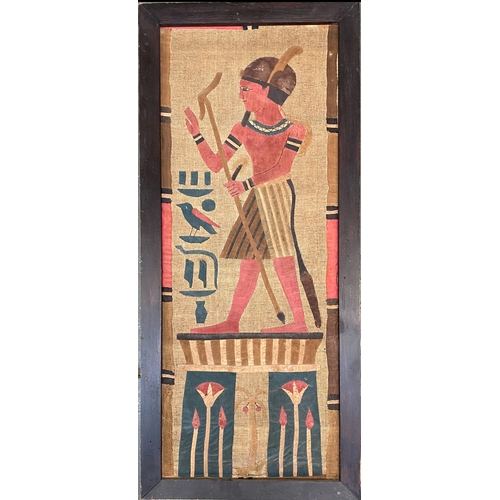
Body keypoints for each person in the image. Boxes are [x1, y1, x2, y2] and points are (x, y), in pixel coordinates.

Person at [184, 54, 312, 334]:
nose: (240, 95)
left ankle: (299, 322)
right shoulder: (243, 128)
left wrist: (245, 185)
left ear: (267, 90)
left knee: (282, 257)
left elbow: (282, 168)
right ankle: (232, 321)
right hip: (256, 196)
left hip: (277, 195)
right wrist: (197, 135)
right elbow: (216, 163)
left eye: (246, 89)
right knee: (250, 260)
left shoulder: (295, 130)